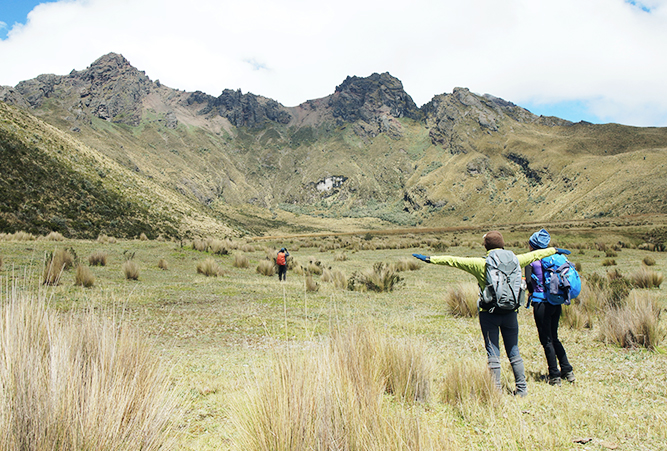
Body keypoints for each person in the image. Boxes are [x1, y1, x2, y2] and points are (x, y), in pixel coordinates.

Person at [413, 231, 569, 397]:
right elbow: (535, 254)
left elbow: (453, 260)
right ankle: (522, 389)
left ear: (486, 246)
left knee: (493, 353)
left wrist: (430, 259)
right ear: (502, 244)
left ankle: (496, 391)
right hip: (510, 312)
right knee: (514, 351)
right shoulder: (517, 259)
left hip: (488, 314)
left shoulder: (481, 263)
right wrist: (554, 250)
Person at [525, 229, 575, 386]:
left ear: (532, 246)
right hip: (555, 303)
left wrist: (532, 291)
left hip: (541, 303)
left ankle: (554, 375)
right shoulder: (555, 259)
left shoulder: (531, 261)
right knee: (554, 337)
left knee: (545, 340)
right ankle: (567, 370)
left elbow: (528, 283)